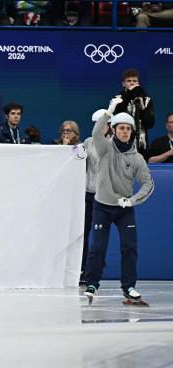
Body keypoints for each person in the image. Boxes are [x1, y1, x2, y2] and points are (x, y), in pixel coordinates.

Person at [83, 96, 154, 305]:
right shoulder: (104, 148)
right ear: (113, 130)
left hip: (124, 209)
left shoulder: (137, 158)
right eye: (120, 128)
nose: (125, 131)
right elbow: (96, 132)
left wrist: (132, 201)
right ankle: (92, 282)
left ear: (132, 132)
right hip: (102, 206)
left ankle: (129, 286)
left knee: (129, 247)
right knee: (98, 247)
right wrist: (108, 111)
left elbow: (148, 184)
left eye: (128, 129)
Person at [80, 109, 111, 283]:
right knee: (83, 233)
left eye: (105, 124)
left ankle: (95, 271)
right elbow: (80, 163)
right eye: (97, 124)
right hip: (87, 194)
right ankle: (82, 269)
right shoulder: (87, 142)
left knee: (99, 235)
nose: (101, 127)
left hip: (104, 197)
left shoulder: (113, 144)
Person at [114, 69, 154, 160]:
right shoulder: (117, 99)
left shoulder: (147, 99)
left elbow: (150, 124)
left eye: (134, 81)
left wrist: (143, 106)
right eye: (129, 81)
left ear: (138, 82)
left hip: (141, 144)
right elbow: (118, 115)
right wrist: (129, 95)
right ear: (123, 84)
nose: (132, 83)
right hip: (122, 143)